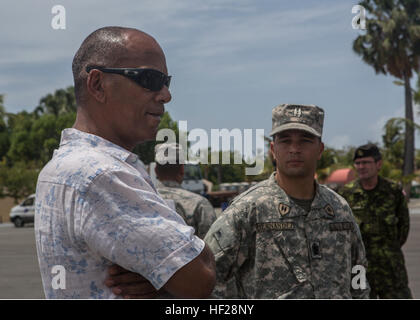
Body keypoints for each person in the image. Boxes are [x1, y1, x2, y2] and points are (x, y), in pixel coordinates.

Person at [34, 26, 215, 299]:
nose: (166, 94)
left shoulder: (62, 166)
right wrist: (166, 274)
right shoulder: (101, 174)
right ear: (97, 84)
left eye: (167, 81)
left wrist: (158, 275)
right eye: (150, 79)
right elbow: (200, 277)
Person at [203, 104, 370, 299]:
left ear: (320, 149)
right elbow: (207, 278)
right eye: (285, 141)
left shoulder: (338, 208)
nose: (294, 149)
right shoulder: (248, 210)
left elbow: (358, 273)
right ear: (273, 150)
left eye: (305, 141)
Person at [339, 143, 412, 299]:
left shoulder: (393, 192)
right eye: (358, 163)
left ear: (378, 164)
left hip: (391, 269)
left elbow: (403, 229)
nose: (361, 166)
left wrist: (387, 250)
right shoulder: (346, 194)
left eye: (366, 162)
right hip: (359, 270)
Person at [154, 143, 217, 239]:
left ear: (155, 170)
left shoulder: (140, 200)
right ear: (182, 170)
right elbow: (213, 245)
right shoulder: (200, 204)